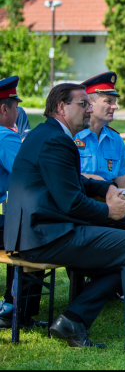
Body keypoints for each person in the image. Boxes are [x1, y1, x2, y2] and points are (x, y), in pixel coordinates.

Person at [4, 83, 125, 353]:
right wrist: (108, 211)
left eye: (90, 104)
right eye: (83, 104)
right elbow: (71, 202)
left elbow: (71, 180)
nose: (89, 109)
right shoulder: (56, 139)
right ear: (61, 108)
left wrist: (106, 188)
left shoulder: (48, 134)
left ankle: (73, 320)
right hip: (44, 236)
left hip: (40, 231)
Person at [0, 76, 45, 330]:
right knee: (34, 236)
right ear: (4, 109)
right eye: (15, 107)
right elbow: (27, 173)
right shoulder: (5, 136)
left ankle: (13, 306)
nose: (18, 113)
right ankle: (15, 310)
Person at [74, 73, 125, 191]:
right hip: (78, 204)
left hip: (109, 206)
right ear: (89, 102)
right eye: (108, 101)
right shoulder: (72, 136)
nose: (115, 107)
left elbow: (123, 186)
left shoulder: (116, 140)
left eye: (115, 102)